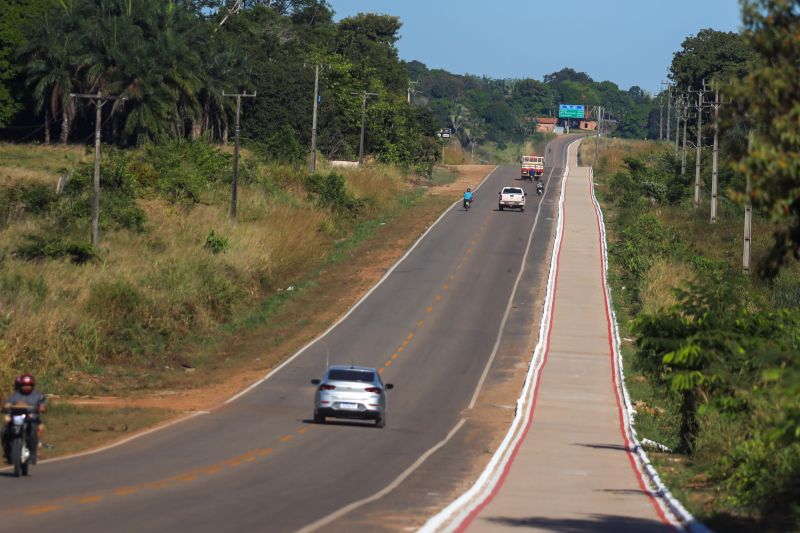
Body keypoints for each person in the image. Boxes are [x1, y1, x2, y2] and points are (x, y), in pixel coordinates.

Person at [2, 373, 46, 465]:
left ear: (32, 386)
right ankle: (8, 453)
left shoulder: (38, 396)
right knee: (4, 431)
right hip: (16, 418)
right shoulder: (14, 396)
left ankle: (33, 455)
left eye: (29, 385)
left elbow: (42, 406)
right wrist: (5, 407)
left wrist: (41, 408)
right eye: (24, 385)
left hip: (31, 419)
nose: (26, 387)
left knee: (33, 431)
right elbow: (7, 404)